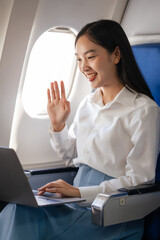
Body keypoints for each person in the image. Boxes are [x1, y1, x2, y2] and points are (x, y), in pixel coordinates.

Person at [0, 19, 160, 240]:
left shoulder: (144, 110)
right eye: (78, 59)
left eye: (91, 57)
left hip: (111, 215)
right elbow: (72, 157)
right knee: (17, 207)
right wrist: (58, 125)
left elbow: (140, 180)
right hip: (76, 202)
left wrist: (79, 193)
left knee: (24, 216)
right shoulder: (88, 103)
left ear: (116, 55)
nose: (84, 67)